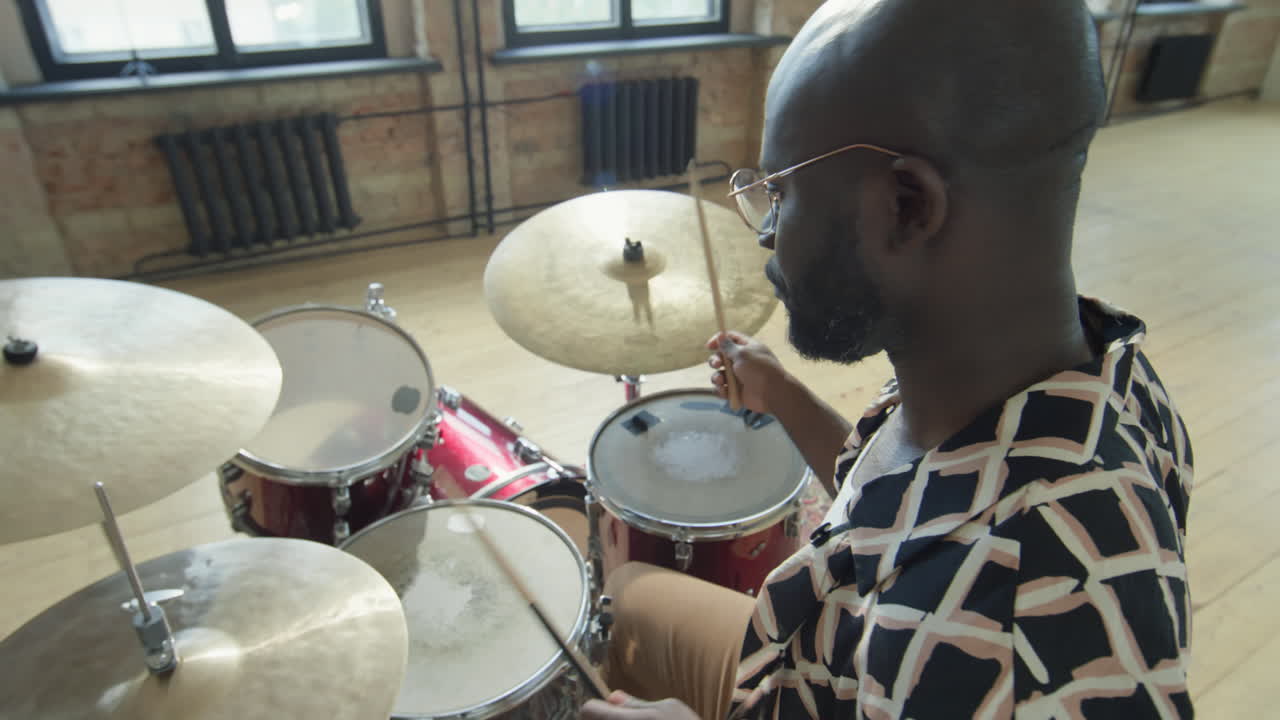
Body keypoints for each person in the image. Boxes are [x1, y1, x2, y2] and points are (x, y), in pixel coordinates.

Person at [580, 0, 1194, 718]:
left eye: (781, 192)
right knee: (629, 598)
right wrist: (782, 395)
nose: (768, 234)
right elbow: (914, 505)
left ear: (907, 204)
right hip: (809, 661)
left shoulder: (1012, 636)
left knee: (623, 609)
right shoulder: (1061, 371)